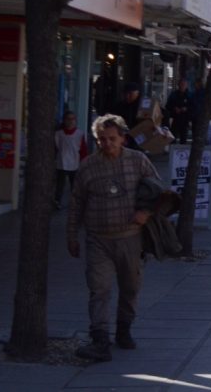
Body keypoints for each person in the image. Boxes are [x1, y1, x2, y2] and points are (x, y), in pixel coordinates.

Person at [67, 114, 161, 361]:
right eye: (101, 139)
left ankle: (124, 329)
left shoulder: (138, 161)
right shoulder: (88, 166)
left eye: (111, 138)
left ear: (122, 138)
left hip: (130, 238)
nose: (106, 144)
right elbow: (76, 202)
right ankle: (99, 339)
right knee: (99, 289)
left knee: (130, 287)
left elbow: (159, 192)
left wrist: (146, 212)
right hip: (98, 238)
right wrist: (71, 235)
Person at [53, 111, 88, 210]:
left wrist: (83, 163)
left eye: (73, 119)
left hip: (75, 164)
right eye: (68, 119)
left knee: (75, 186)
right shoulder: (58, 134)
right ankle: (57, 201)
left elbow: (83, 150)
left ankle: (75, 203)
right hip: (61, 163)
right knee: (60, 185)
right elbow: (56, 147)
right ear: (64, 120)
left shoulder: (79, 134)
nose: (71, 121)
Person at [164, 79, 193, 144]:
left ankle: (182, 150)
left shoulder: (190, 95)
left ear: (186, 86)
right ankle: (172, 150)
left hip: (185, 119)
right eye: (181, 84)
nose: (182, 86)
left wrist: (186, 108)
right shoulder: (174, 94)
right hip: (176, 118)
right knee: (173, 136)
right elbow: (168, 105)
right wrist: (174, 108)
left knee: (183, 137)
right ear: (178, 85)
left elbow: (193, 106)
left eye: (184, 85)